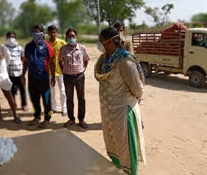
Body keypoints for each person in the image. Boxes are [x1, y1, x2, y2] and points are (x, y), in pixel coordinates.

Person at [94, 27, 146, 175]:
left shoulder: (125, 60)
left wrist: (133, 97)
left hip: (123, 112)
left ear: (110, 41)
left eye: (102, 42)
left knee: (125, 148)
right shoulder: (104, 60)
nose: (101, 44)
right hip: (108, 111)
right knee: (113, 143)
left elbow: (137, 88)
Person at [22, 25, 56, 128]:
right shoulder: (28, 46)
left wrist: (53, 76)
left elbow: (52, 63)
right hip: (32, 78)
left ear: (42, 33)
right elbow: (26, 62)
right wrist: (23, 74)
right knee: (34, 99)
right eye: (33, 32)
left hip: (44, 78)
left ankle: (47, 118)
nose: (34, 34)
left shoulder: (47, 46)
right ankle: (37, 116)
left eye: (37, 32)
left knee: (46, 100)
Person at [59, 28, 90, 129]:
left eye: (73, 36)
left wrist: (82, 70)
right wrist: (64, 71)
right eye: (69, 36)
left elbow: (86, 60)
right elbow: (60, 61)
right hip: (67, 77)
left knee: (81, 98)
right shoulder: (63, 49)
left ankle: (81, 120)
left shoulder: (82, 48)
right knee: (69, 99)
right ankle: (71, 119)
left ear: (76, 37)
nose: (71, 38)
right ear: (66, 38)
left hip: (79, 77)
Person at [5, 31, 28, 111]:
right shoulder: (4, 48)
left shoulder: (20, 48)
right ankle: (13, 104)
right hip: (9, 73)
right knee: (11, 90)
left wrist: (23, 73)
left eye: (12, 37)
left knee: (22, 89)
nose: (11, 39)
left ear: (15, 38)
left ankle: (24, 104)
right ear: (7, 38)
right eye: (9, 37)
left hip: (19, 72)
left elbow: (23, 59)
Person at [47, 25, 67, 116]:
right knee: (52, 91)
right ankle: (54, 108)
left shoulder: (62, 43)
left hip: (60, 71)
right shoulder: (46, 44)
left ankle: (64, 108)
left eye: (54, 32)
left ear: (56, 33)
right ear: (48, 33)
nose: (53, 34)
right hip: (50, 72)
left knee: (63, 90)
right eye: (51, 32)